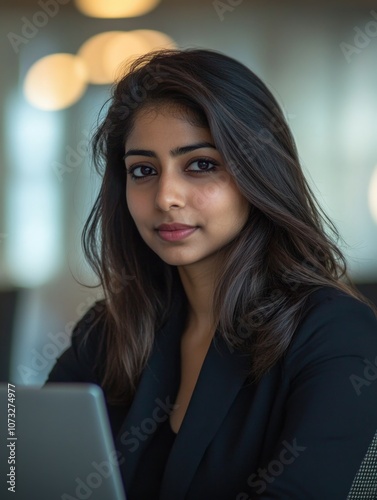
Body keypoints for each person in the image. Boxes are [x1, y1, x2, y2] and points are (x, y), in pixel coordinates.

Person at [46, 48, 377, 500]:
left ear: (259, 171)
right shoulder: (110, 329)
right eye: (143, 170)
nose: (166, 197)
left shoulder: (336, 334)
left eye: (200, 164)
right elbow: (26, 471)